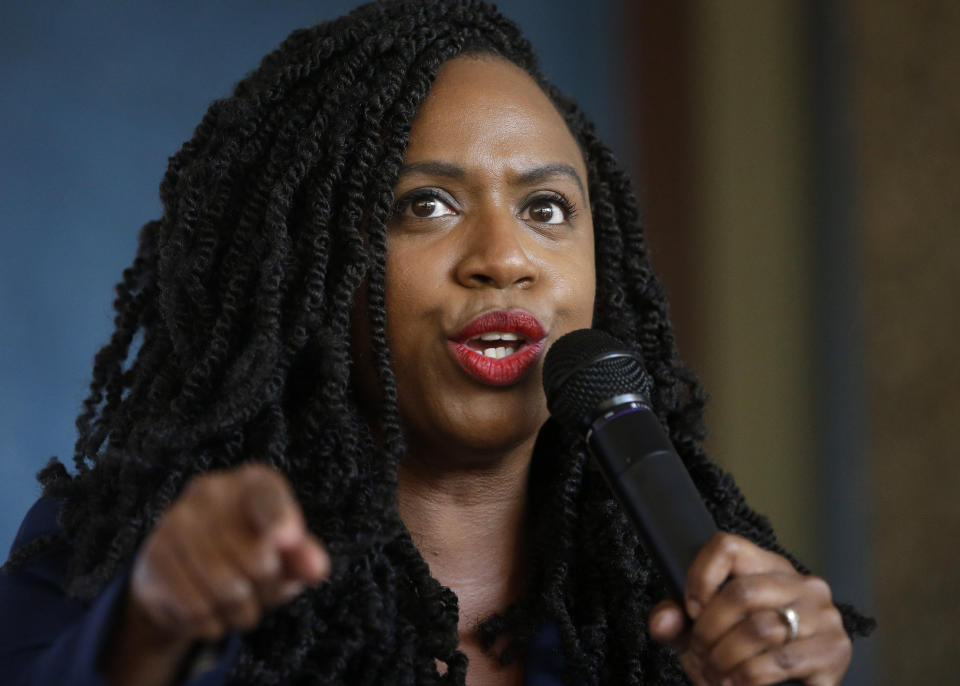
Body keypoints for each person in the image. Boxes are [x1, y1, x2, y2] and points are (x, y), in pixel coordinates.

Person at [0, 1, 874, 684]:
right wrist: (152, 632)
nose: (505, 259)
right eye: (427, 205)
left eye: (545, 209)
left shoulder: (673, 614)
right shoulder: (114, 565)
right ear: (317, 265)